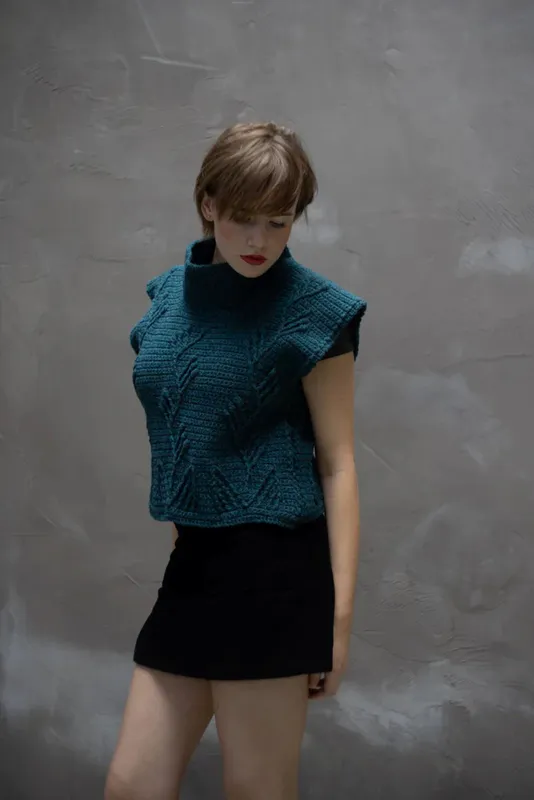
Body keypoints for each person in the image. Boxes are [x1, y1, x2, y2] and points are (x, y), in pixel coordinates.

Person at [105, 121, 367, 800]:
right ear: (209, 203)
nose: (260, 241)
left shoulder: (314, 313)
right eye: (244, 218)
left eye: (279, 222)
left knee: (256, 790)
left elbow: (338, 464)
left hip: (275, 573)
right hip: (194, 565)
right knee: (132, 786)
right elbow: (186, 427)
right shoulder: (169, 298)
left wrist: (336, 627)